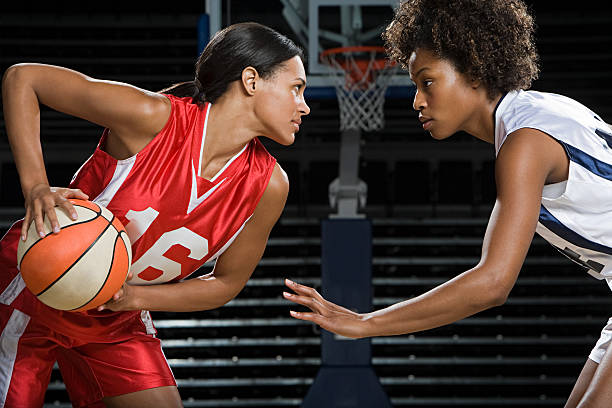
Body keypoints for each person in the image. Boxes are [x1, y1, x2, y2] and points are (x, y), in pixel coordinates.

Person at [283, 1, 612, 406]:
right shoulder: (536, 117)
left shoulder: (524, 142)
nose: (417, 101)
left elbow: (492, 283)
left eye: (428, 82)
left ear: (474, 70)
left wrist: (364, 323)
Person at [0, 21, 309, 407]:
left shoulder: (270, 186)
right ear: (251, 80)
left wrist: (132, 298)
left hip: (114, 313)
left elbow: (226, 283)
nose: (305, 105)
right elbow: (24, 78)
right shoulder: (154, 118)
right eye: (296, 88)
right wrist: (35, 186)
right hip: (36, 285)